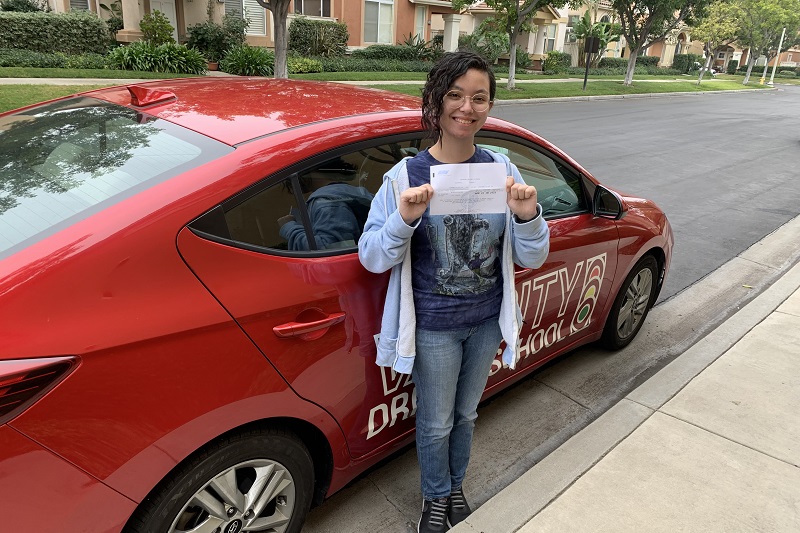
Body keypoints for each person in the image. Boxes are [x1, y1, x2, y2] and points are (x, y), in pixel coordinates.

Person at [357, 51, 550, 533]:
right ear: (436, 101)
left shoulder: (502, 167)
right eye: (456, 95)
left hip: (486, 320)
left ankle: (455, 485)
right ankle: (436, 498)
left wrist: (527, 216)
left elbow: (532, 257)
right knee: (437, 422)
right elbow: (373, 257)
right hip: (434, 329)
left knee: (466, 415)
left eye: (479, 98)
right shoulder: (405, 176)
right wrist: (403, 219)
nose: (467, 107)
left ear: (489, 106)